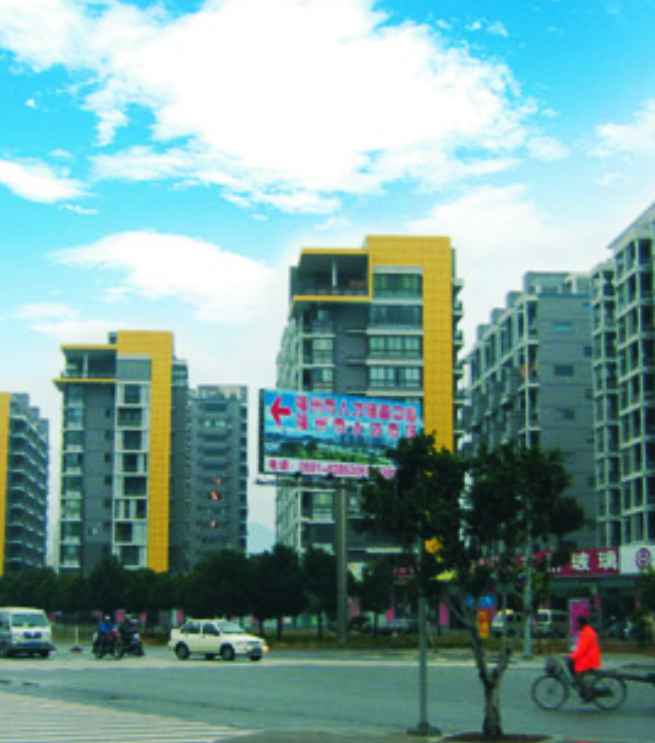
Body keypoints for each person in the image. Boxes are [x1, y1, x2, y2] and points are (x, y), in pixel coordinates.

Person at [568, 615, 601, 700]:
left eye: (578, 624)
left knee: (578, 678)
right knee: (572, 664)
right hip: (588, 657)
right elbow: (580, 648)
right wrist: (572, 655)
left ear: (582, 624)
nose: (577, 625)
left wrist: (572, 656)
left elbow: (582, 649)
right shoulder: (587, 631)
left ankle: (588, 695)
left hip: (589, 660)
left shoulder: (587, 633)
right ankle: (583, 689)